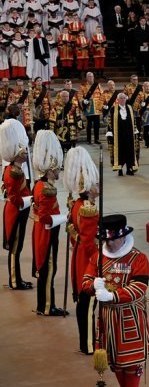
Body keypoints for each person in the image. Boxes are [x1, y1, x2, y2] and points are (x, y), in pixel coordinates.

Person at [82, 214, 149, 387]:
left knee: (131, 362)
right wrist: (94, 286)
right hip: (106, 319)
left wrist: (113, 295)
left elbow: (139, 288)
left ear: (123, 236)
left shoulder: (138, 258)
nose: (109, 243)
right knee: (115, 363)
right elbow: (85, 280)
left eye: (113, 239)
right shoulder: (97, 257)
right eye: (106, 239)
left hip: (129, 318)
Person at [63, 146, 100, 354]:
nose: (98, 185)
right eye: (95, 183)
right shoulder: (88, 208)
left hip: (79, 257)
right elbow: (88, 242)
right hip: (87, 260)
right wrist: (99, 263)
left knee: (84, 303)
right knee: (88, 303)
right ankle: (88, 344)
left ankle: (85, 341)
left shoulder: (78, 204)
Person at [31, 129, 68, 316]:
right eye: (58, 168)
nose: (59, 170)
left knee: (45, 269)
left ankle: (43, 304)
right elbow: (46, 217)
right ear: (51, 169)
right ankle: (47, 306)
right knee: (48, 269)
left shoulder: (40, 185)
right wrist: (65, 218)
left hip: (41, 230)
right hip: (47, 231)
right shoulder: (47, 189)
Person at [1, 118, 33, 290]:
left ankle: (17, 278)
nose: (25, 153)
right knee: (15, 248)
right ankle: (14, 280)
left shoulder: (16, 169)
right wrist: (30, 200)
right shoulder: (13, 172)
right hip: (15, 211)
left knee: (18, 246)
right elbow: (14, 197)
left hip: (19, 210)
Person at [106, 93, 139, 176]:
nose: (123, 100)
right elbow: (110, 120)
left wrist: (135, 129)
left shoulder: (130, 108)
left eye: (124, 98)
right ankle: (119, 169)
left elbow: (133, 120)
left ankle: (129, 169)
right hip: (118, 134)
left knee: (129, 151)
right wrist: (110, 132)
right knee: (120, 151)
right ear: (118, 99)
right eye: (121, 98)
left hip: (129, 133)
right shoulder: (113, 109)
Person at [81, 71, 104, 144]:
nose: (90, 78)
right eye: (89, 77)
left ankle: (96, 139)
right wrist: (83, 101)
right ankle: (89, 139)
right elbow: (79, 96)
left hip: (97, 107)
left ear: (93, 77)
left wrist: (102, 104)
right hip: (89, 108)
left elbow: (102, 95)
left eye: (91, 76)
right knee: (89, 125)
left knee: (97, 124)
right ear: (86, 78)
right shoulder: (83, 86)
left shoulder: (98, 85)